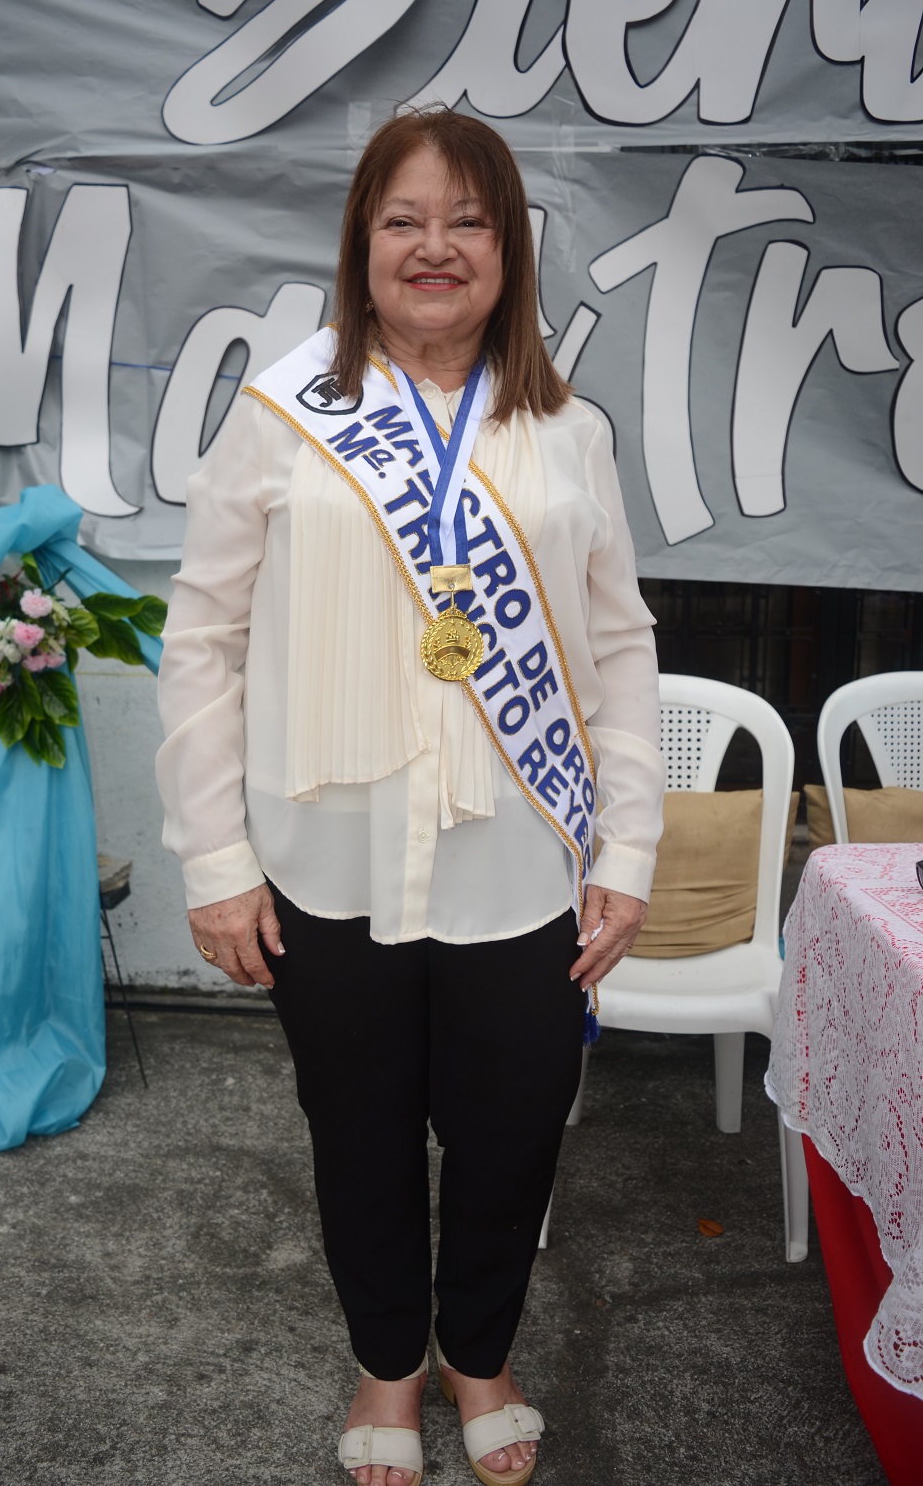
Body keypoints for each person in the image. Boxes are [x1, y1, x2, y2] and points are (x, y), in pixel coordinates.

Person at [156, 107, 664, 1486]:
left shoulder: (568, 431)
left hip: (522, 866)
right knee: (361, 1133)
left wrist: (629, 843)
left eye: (468, 220)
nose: (435, 247)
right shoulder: (285, 412)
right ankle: (389, 1366)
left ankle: (480, 1355)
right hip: (327, 863)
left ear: (509, 250)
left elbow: (619, 648)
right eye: (404, 220)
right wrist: (214, 857)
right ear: (361, 245)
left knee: (510, 1138)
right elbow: (201, 641)